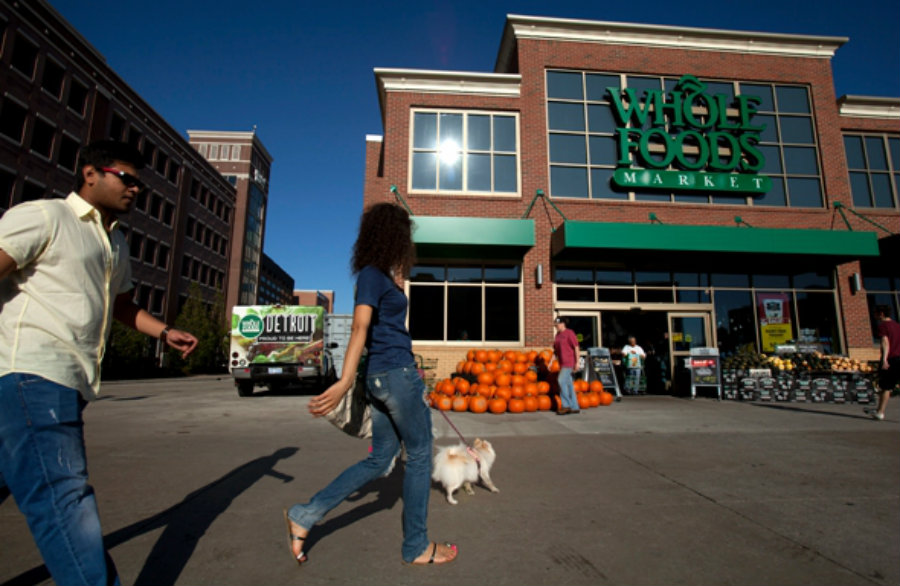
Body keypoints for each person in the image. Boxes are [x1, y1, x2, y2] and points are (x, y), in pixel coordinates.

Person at [0, 140, 198, 586]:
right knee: (65, 501)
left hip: (70, 381)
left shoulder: (115, 242)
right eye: (126, 179)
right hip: (33, 371)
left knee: (18, 474)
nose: (134, 190)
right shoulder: (48, 216)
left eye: (139, 184)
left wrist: (165, 331)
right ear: (90, 173)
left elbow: (122, 306)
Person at [284, 203, 457, 566]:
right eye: (404, 235)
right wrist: (345, 381)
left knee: (380, 460)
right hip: (394, 373)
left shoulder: (377, 276)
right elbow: (360, 327)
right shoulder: (372, 275)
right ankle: (416, 546)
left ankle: (304, 515)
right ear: (392, 235)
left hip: (384, 376)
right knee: (421, 454)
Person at [866, 305, 900, 421]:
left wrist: (884, 359)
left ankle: (880, 412)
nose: (874, 316)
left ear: (881, 314)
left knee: (886, 387)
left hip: (892, 359)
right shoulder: (897, 326)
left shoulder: (883, 326)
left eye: (875, 313)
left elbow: (885, 342)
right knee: (886, 386)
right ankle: (878, 409)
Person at [552, 316, 580, 415]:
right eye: (555, 325)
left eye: (557, 324)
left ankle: (566, 405)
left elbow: (576, 347)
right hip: (562, 363)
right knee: (569, 385)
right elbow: (556, 350)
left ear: (563, 323)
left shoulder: (569, 333)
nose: (556, 326)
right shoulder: (557, 336)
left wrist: (577, 362)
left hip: (569, 362)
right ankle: (575, 407)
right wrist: (551, 362)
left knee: (560, 380)